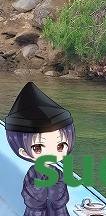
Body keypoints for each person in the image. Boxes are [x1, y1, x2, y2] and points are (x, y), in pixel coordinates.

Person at [5, 82, 75, 216]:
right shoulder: (32, 174)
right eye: (38, 147)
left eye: (60, 146)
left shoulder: (58, 173)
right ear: (23, 152)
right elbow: (33, 200)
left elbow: (61, 199)